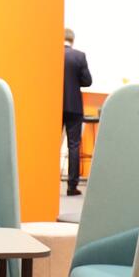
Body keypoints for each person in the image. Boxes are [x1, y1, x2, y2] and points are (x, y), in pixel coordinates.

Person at [63, 27, 92, 196]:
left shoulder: (52, 55)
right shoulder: (79, 56)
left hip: (54, 107)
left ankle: (46, 182)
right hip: (74, 106)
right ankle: (71, 186)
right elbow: (87, 81)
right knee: (73, 145)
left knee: (51, 145)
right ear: (72, 40)